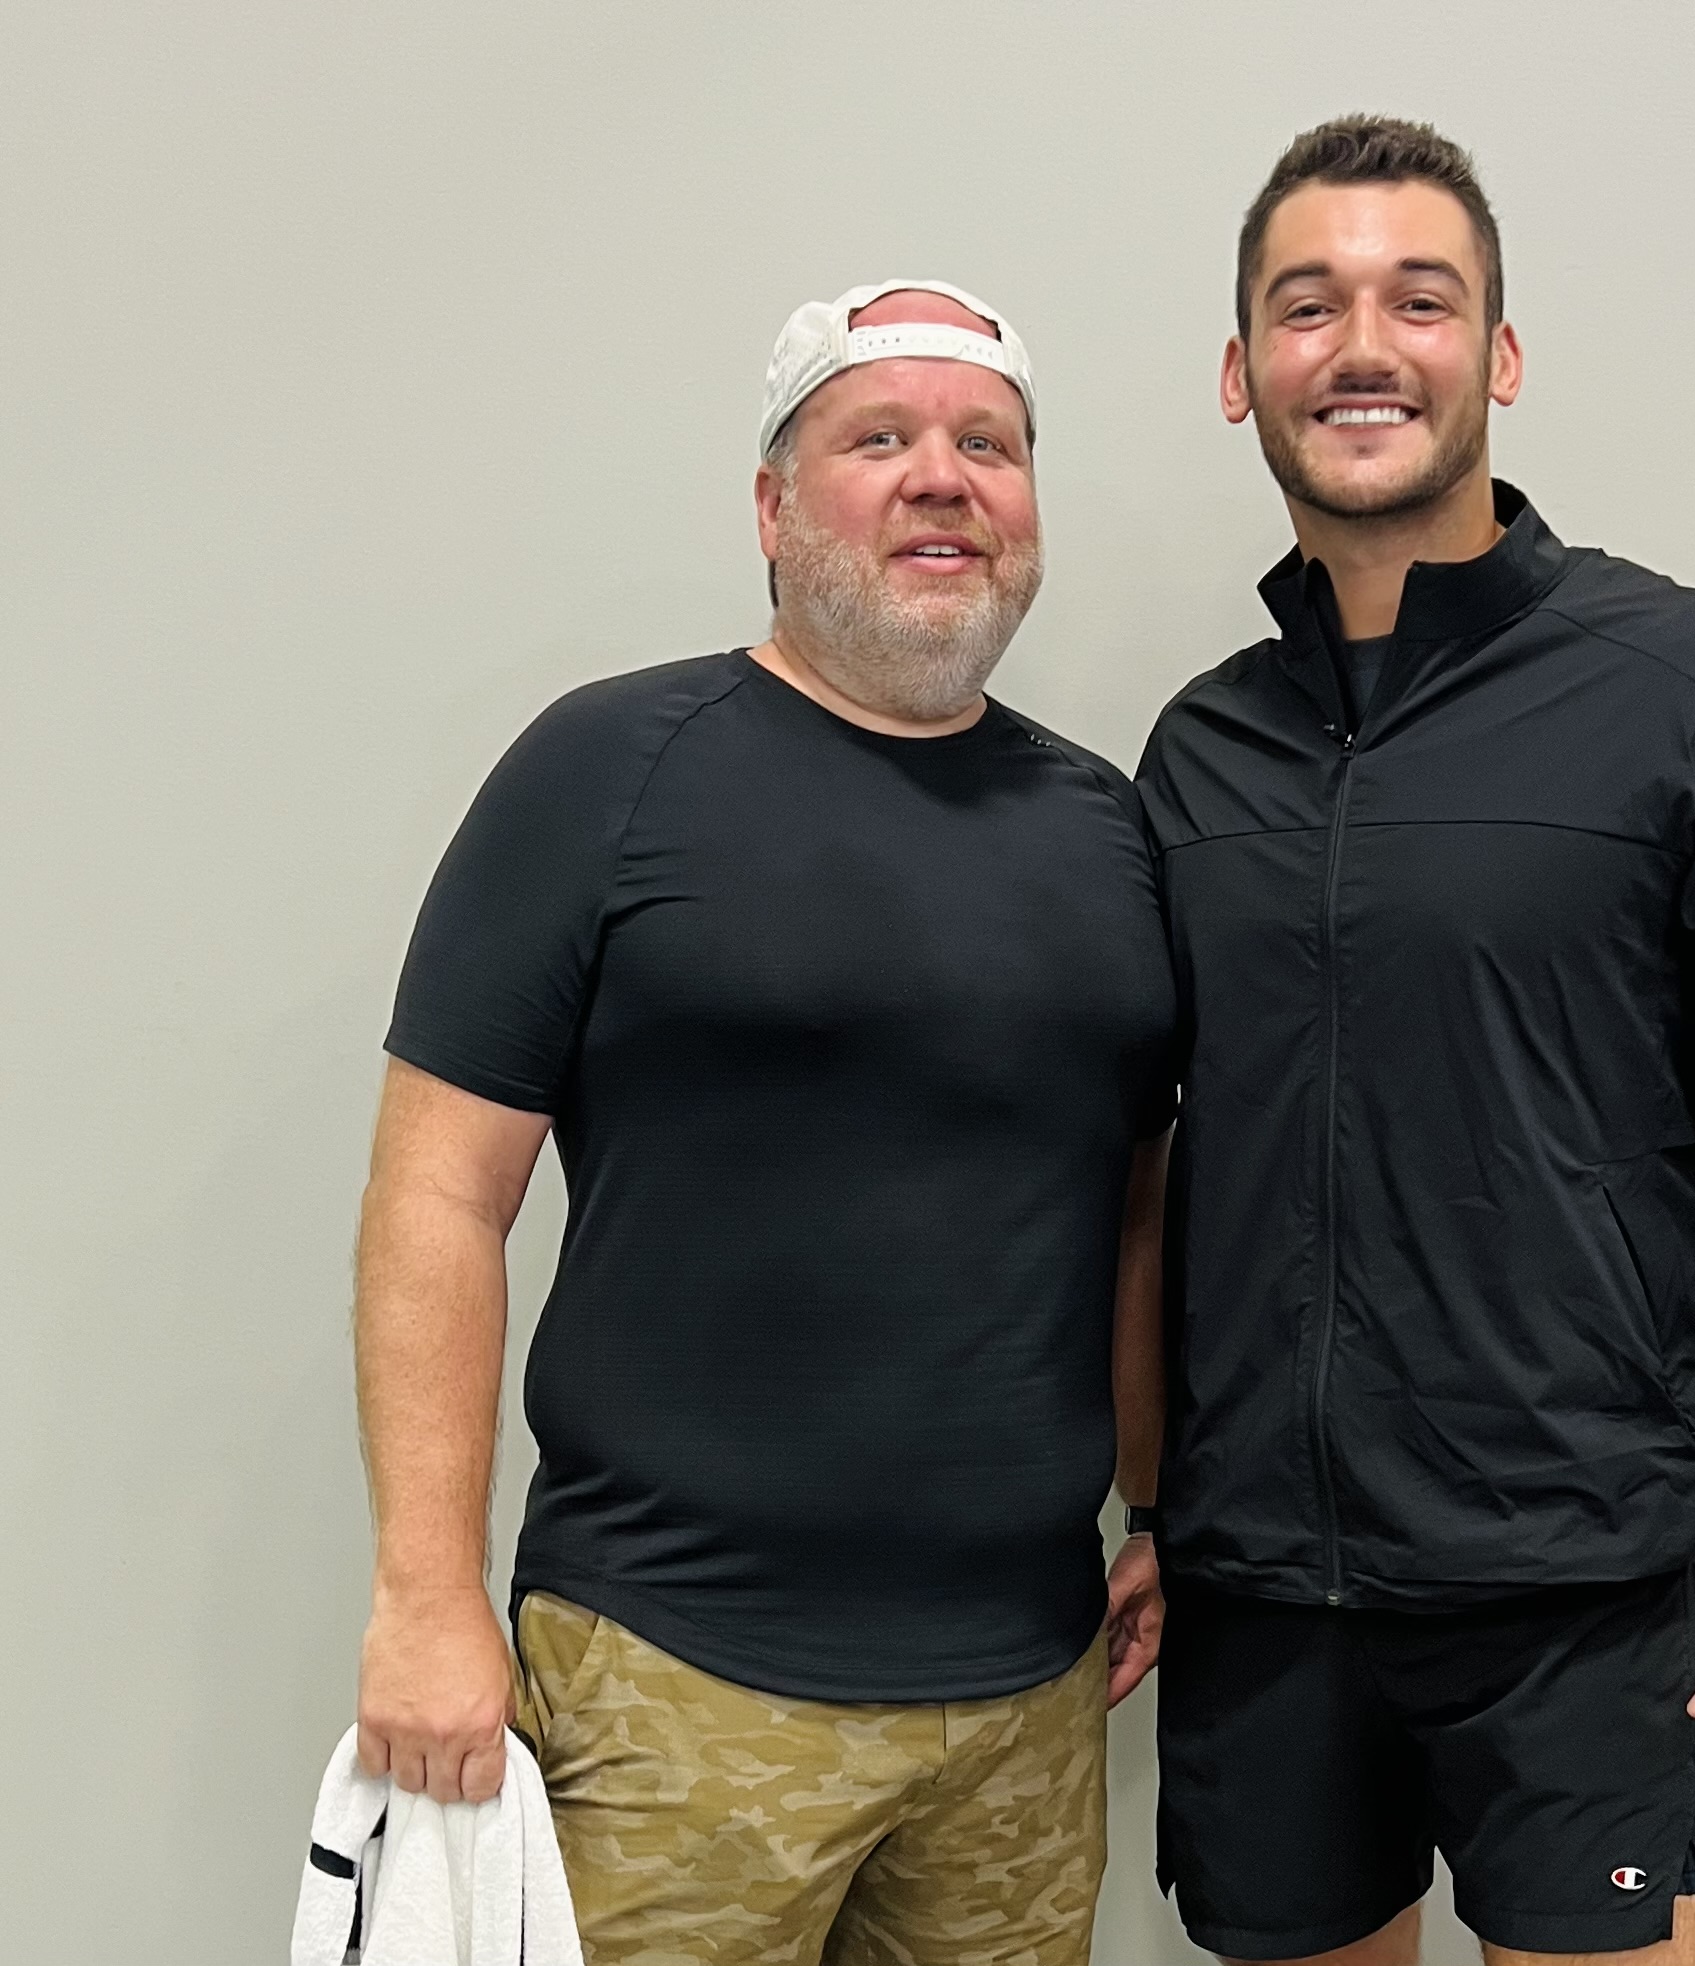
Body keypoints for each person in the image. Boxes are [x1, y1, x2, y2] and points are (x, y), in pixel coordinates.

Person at [1136, 116, 1695, 1966]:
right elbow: (1157, 1159)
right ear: (1241, 371)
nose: (1363, 344)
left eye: (1419, 300)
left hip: (1573, 1589)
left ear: (1497, 356)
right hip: (1263, 1598)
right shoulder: (1198, 754)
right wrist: (1156, 1496)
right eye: (1307, 304)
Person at [351, 277, 1174, 1966]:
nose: (943, 477)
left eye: (990, 444)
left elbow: (1137, 1199)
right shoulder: (604, 771)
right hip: (678, 1692)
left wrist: (1158, 1504)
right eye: (880, 437)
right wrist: (426, 1594)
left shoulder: (1107, 830)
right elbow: (439, 1191)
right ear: (771, 505)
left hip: (1024, 1707)